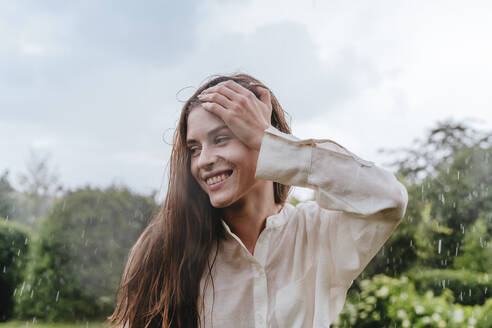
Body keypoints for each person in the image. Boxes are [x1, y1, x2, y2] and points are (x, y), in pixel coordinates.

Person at [109, 73, 408, 328]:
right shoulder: (165, 248)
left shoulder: (318, 233)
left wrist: (269, 142)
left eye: (222, 138)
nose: (205, 161)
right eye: (195, 148)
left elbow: (388, 198)